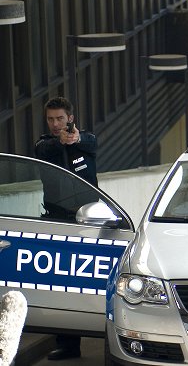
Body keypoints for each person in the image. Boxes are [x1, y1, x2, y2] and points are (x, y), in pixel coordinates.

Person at [34, 96, 98, 361]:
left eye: (60, 118)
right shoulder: (45, 144)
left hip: (88, 223)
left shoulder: (86, 140)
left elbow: (92, 142)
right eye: (51, 119)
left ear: (70, 118)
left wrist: (76, 139)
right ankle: (68, 344)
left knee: (90, 283)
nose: (55, 123)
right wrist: (60, 141)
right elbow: (43, 149)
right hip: (57, 221)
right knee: (61, 285)